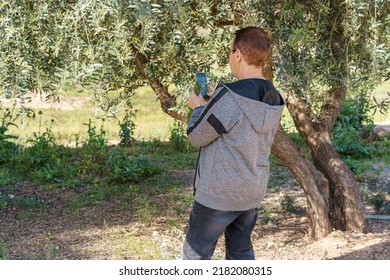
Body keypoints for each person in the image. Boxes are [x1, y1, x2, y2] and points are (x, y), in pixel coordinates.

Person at [182, 26, 285, 260]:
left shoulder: (229, 96)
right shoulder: (273, 96)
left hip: (219, 192)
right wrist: (217, 100)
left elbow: (196, 136)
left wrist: (198, 108)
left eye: (230, 52)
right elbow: (243, 122)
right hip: (251, 191)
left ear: (237, 54)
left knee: (195, 255)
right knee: (240, 252)